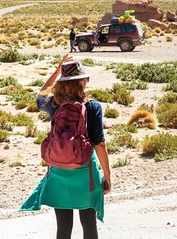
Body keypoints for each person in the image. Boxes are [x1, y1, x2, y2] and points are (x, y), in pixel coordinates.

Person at [20, 55, 111, 239]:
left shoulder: (53, 104)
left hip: (58, 171)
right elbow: (99, 144)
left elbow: (40, 94)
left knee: (63, 227)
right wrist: (107, 175)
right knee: (88, 224)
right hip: (85, 171)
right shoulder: (93, 107)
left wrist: (57, 71)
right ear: (81, 82)